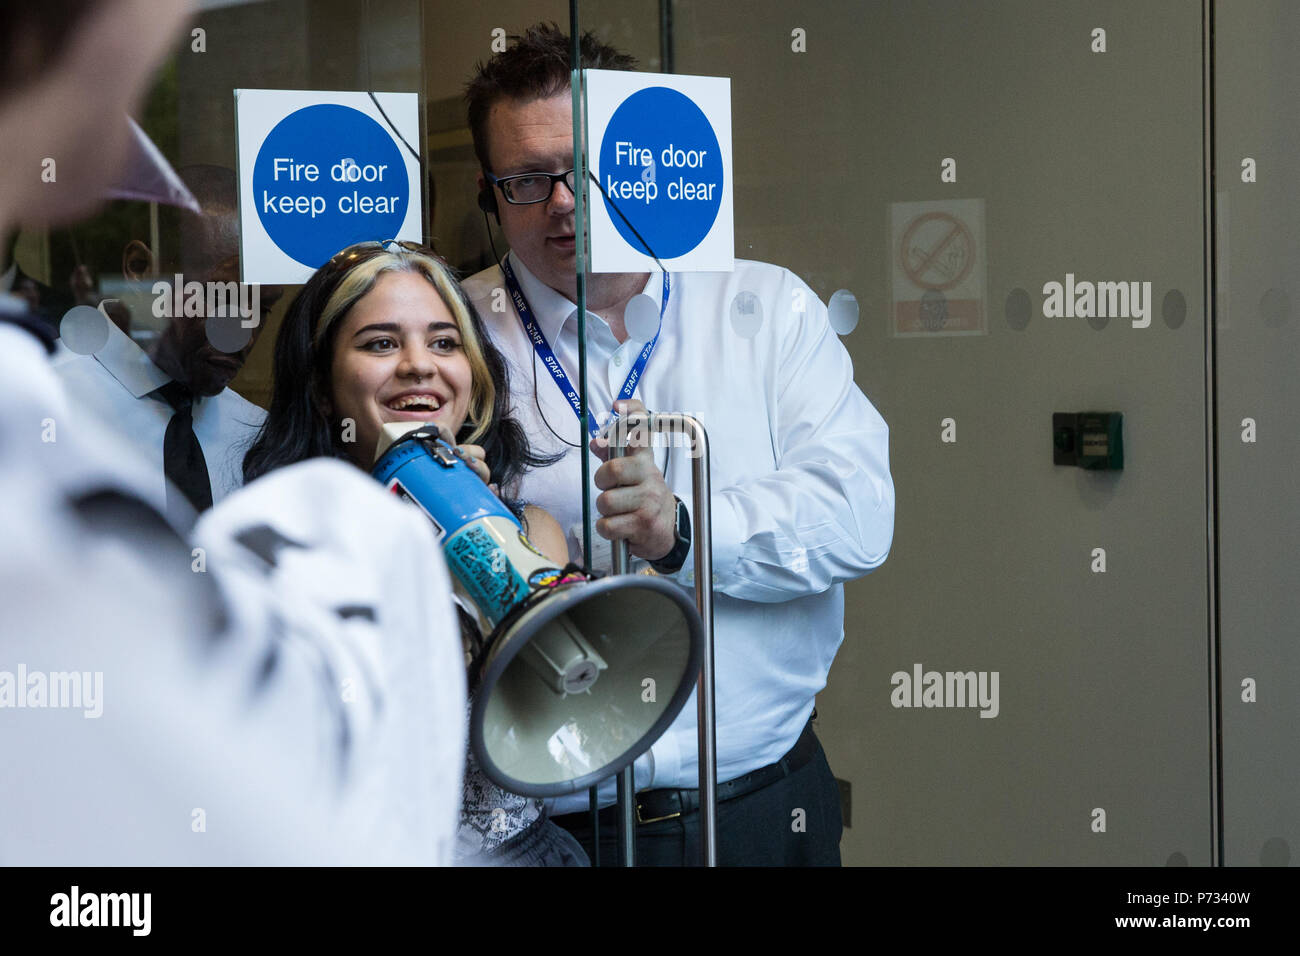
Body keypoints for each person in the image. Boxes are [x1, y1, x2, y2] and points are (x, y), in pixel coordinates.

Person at [0, 0, 465, 865]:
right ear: (142, 270)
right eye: (220, 286)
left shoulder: (266, 443)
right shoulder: (49, 425)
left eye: (260, 296)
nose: (241, 322)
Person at [461, 23, 896, 865]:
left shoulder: (765, 308)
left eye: (585, 170)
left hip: (764, 806)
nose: (561, 202)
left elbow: (860, 515)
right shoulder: (450, 335)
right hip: (556, 832)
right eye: (526, 180)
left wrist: (686, 532)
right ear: (491, 191)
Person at [243, 240, 589, 866]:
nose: (418, 366)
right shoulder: (273, 552)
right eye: (380, 343)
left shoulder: (533, 534)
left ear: (472, 375)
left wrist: (470, 536)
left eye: (444, 342)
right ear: (323, 389)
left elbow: (560, 732)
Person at [52, 164, 277, 527]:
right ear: (140, 268)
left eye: (261, 310)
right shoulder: (39, 405)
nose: (245, 335)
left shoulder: (256, 435)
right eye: (221, 300)